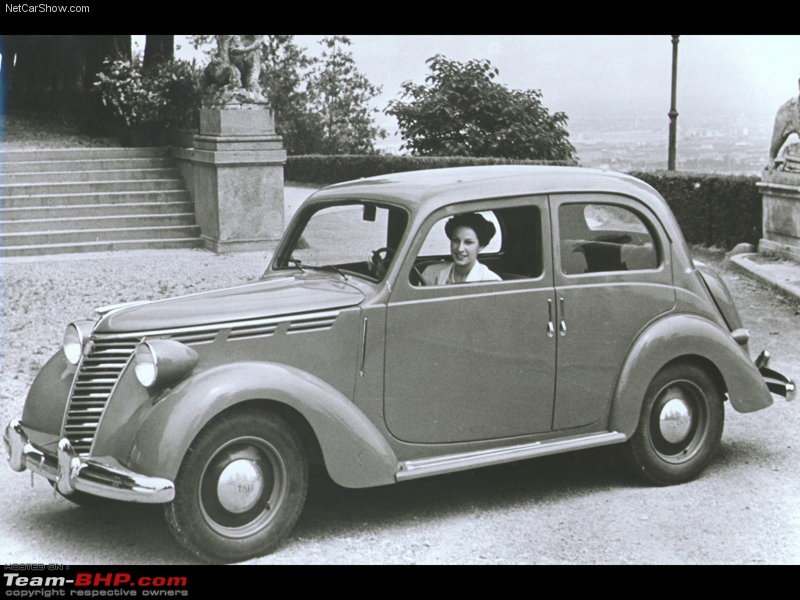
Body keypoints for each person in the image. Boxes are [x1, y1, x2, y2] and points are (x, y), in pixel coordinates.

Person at [421, 213, 502, 285]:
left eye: (468, 242)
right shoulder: (430, 273)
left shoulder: (491, 281)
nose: (460, 248)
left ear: (481, 246)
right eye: (456, 240)